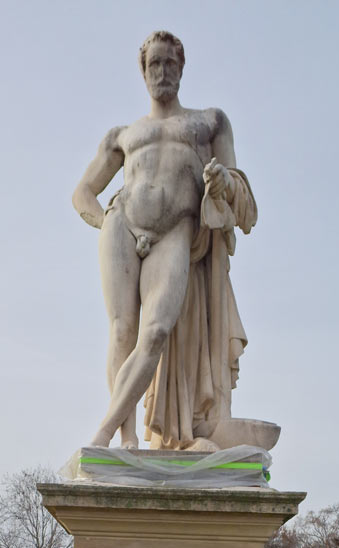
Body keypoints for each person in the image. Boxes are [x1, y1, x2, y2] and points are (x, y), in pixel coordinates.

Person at [73, 30, 257, 450]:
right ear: (143, 70)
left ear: (182, 68)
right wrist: (104, 224)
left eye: (170, 64)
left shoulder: (208, 121)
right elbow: (82, 192)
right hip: (123, 224)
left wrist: (225, 182)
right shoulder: (122, 134)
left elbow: (240, 190)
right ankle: (127, 437)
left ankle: (102, 431)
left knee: (153, 333)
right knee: (122, 332)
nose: (162, 72)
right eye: (155, 64)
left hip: (177, 229)